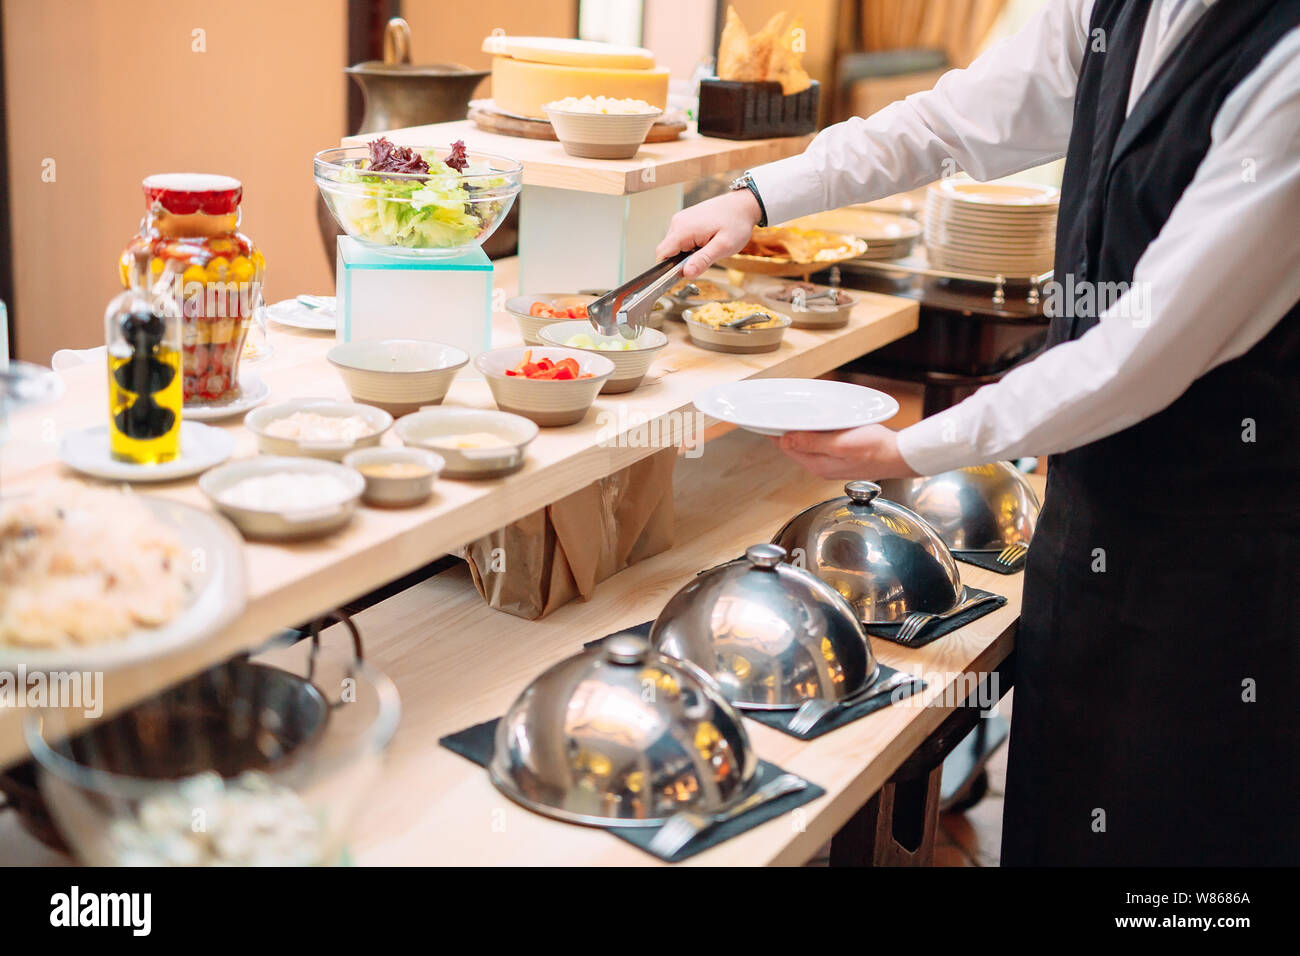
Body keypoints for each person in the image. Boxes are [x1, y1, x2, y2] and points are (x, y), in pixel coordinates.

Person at [658, 0, 1300, 866]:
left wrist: (909, 448)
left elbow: (1143, 348)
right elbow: (955, 119)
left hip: (1232, 548)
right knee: (1061, 805)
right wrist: (759, 196)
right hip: (1092, 501)